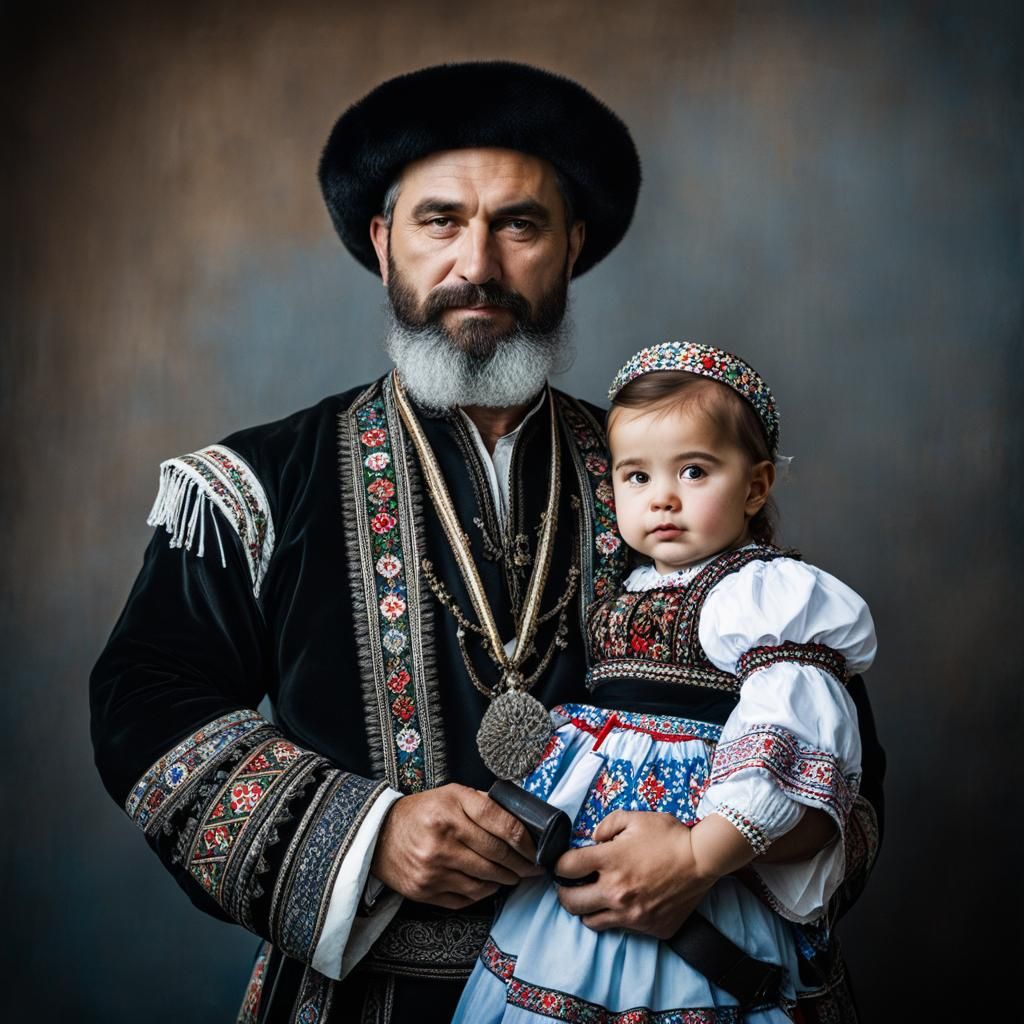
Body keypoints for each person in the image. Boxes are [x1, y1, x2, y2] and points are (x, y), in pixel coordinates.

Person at [89, 63, 883, 1024]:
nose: (478, 263)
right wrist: (367, 833)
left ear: (572, 246)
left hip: (676, 980)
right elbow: (149, 700)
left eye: (520, 224)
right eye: (439, 221)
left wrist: (702, 856)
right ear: (384, 244)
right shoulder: (259, 484)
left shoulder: (678, 480)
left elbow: (839, 749)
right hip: (363, 1000)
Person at [454, 341, 877, 1022]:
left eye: (695, 471)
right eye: (637, 477)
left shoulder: (762, 595)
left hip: (699, 854)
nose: (664, 500)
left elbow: (789, 729)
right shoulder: (634, 584)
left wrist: (694, 854)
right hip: (589, 880)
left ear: (757, 486)